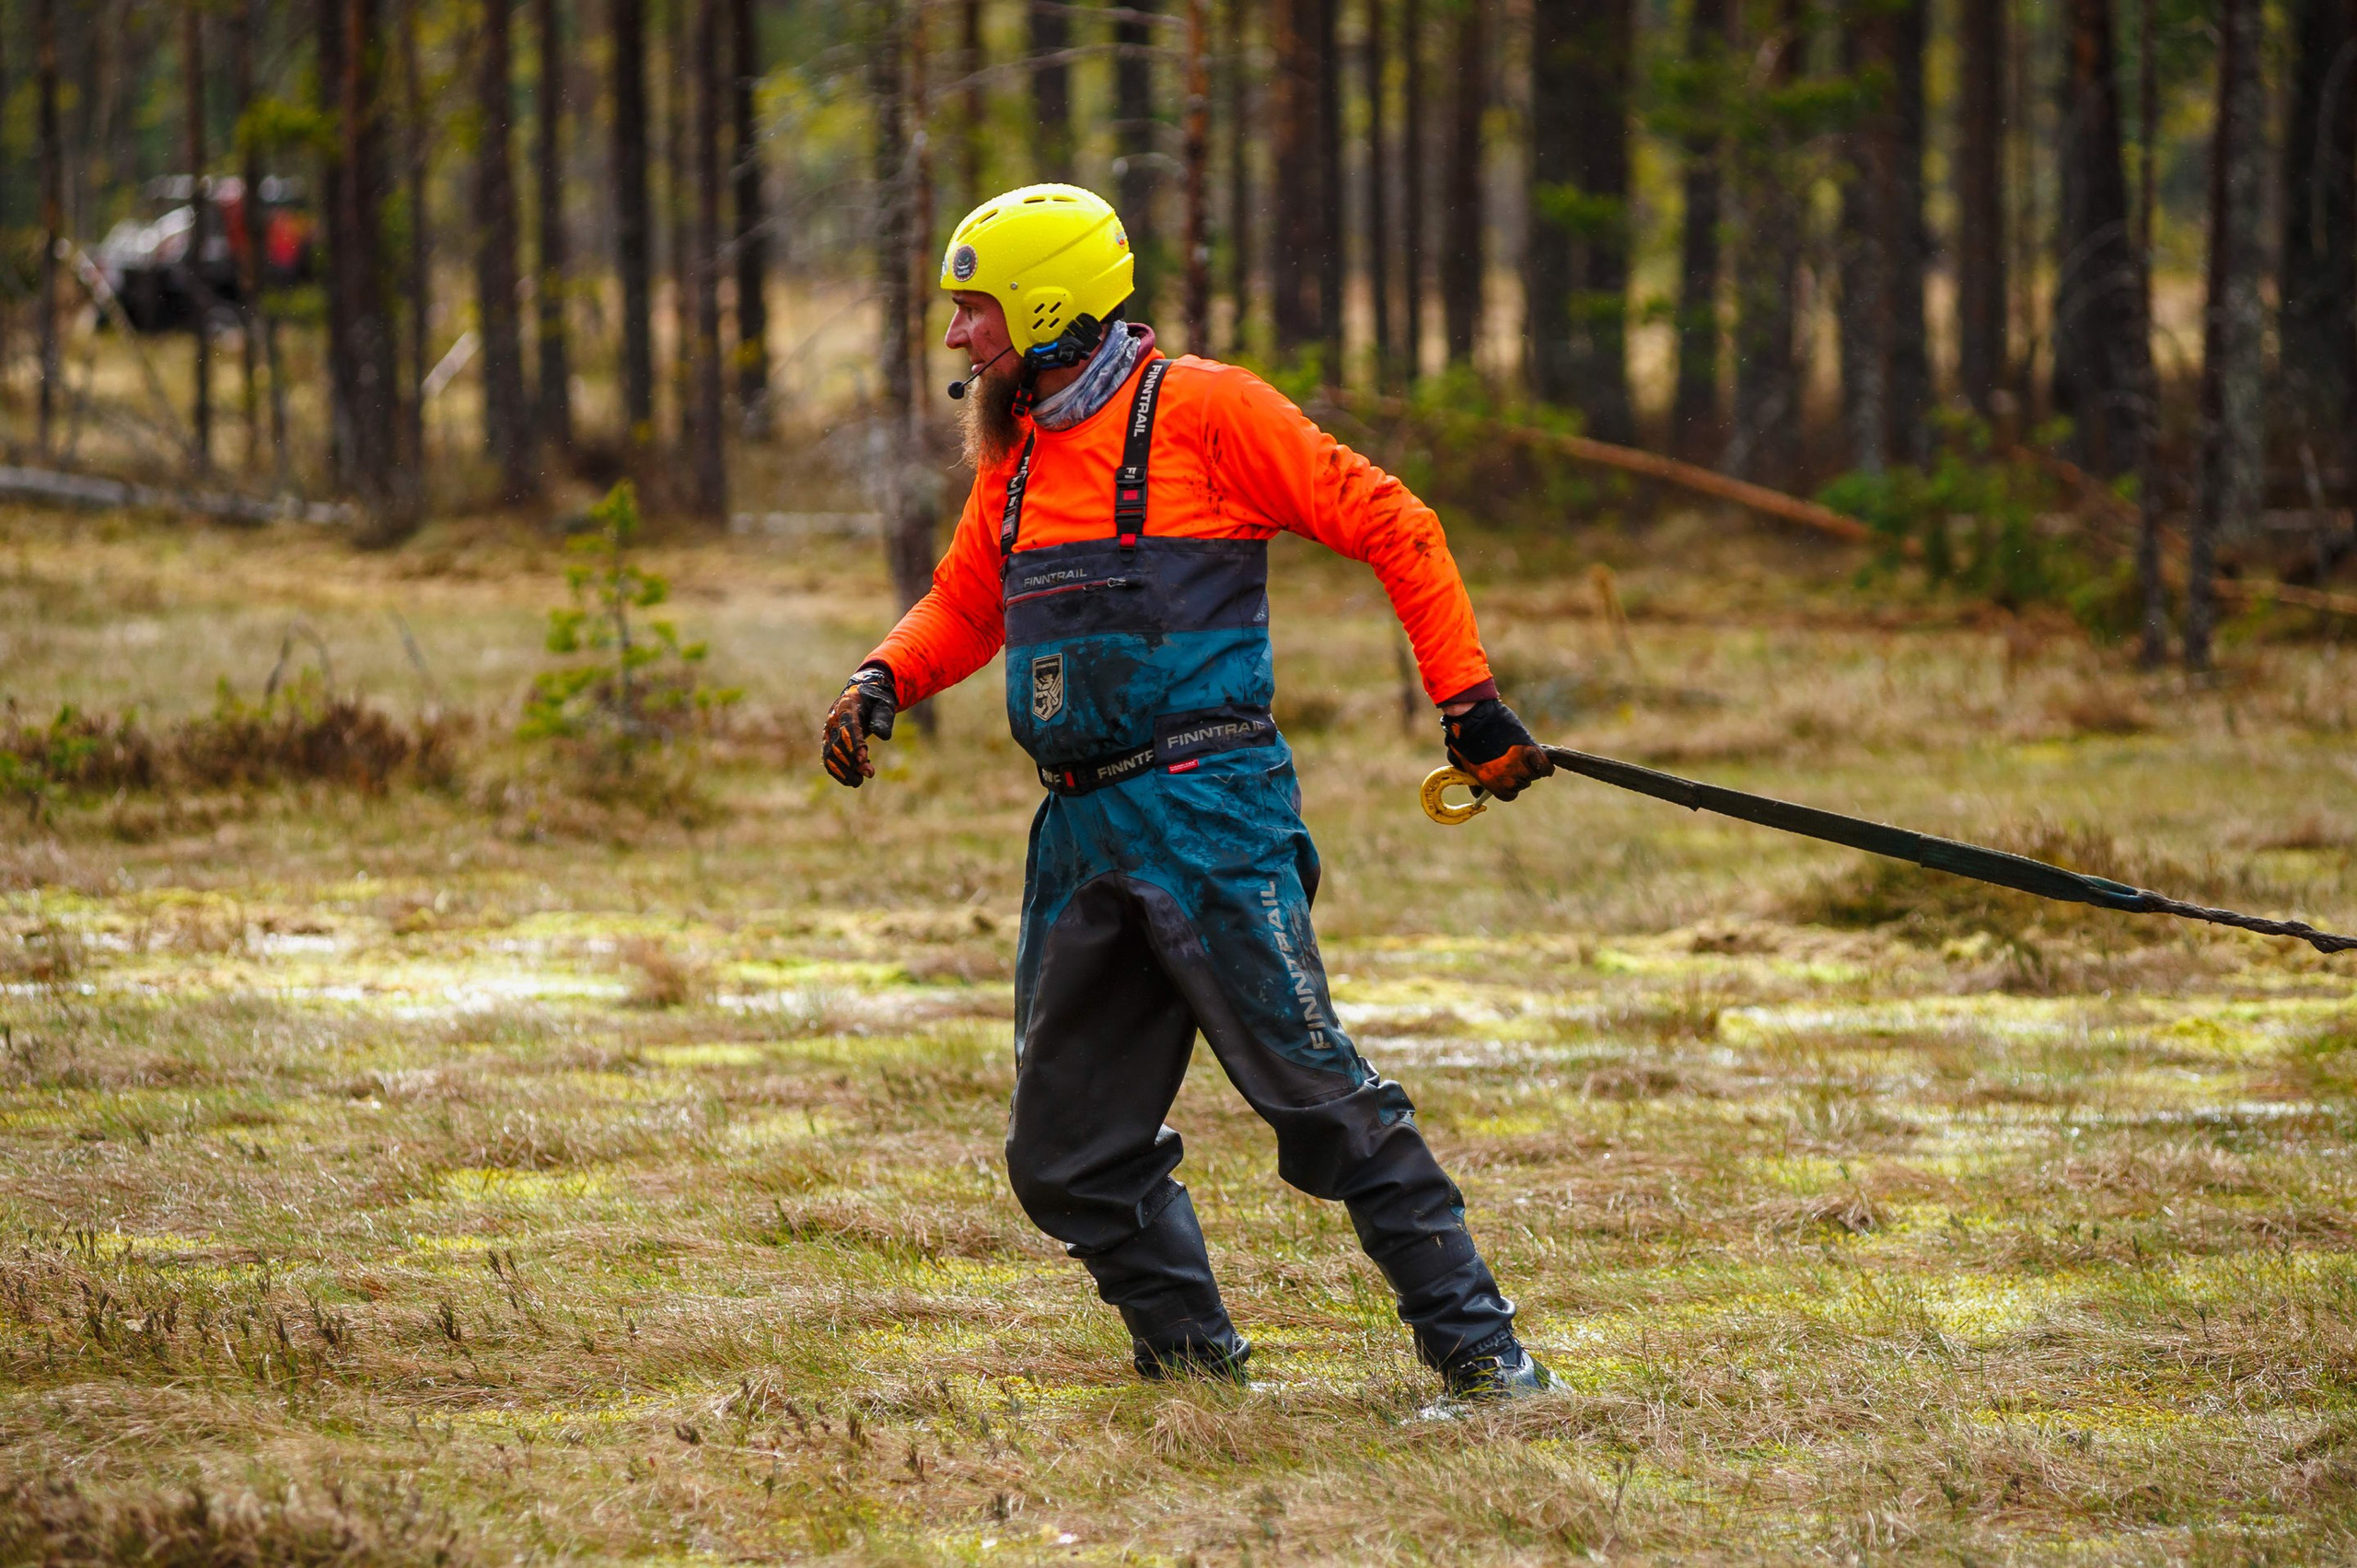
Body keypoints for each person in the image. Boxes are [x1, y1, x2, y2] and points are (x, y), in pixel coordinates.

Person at [821, 184, 1558, 1398]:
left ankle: (1487, 1365)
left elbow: (1395, 521)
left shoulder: (1207, 413)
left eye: (976, 313)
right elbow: (969, 605)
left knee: (1324, 1102)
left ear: (1046, 305)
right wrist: (886, 676)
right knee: (1065, 1154)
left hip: (1211, 816)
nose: (958, 338)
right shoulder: (1016, 459)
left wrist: (1468, 703)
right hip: (1081, 832)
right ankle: (1198, 1375)